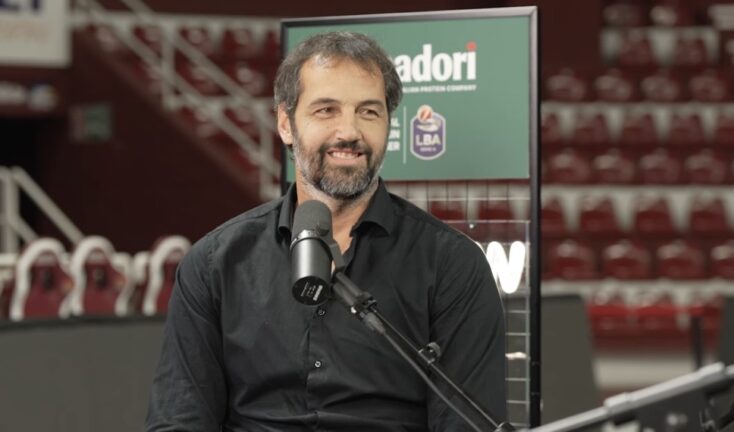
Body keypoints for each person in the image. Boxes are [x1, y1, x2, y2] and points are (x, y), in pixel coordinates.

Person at [146, 31, 507, 432]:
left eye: (368, 112)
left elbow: (466, 425)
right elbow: (178, 420)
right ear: (286, 124)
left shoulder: (453, 266)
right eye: (326, 110)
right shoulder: (214, 265)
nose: (349, 131)